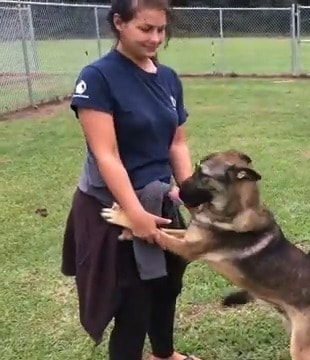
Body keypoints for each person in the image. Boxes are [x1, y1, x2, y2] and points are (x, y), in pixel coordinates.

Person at [60, 0, 200, 358]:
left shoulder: (167, 78)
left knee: (168, 286)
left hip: (160, 201)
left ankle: (164, 354)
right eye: (145, 29)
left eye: (161, 29)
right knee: (133, 302)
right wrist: (135, 214)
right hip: (114, 208)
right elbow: (106, 155)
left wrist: (190, 194)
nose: (155, 38)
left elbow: (177, 142)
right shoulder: (98, 77)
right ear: (119, 23)